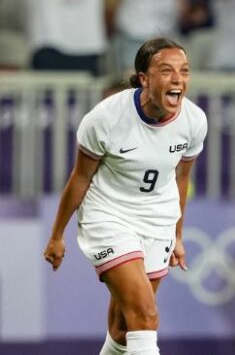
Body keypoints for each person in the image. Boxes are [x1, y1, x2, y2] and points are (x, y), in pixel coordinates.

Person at [43, 38, 208, 355]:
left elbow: (181, 179)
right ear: (144, 78)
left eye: (185, 71)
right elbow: (80, 177)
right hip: (109, 215)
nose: (178, 79)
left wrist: (177, 235)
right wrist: (57, 235)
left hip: (157, 220)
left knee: (122, 329)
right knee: (146, 315)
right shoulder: (105, 118)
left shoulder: (194, 121)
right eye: (166, 71)